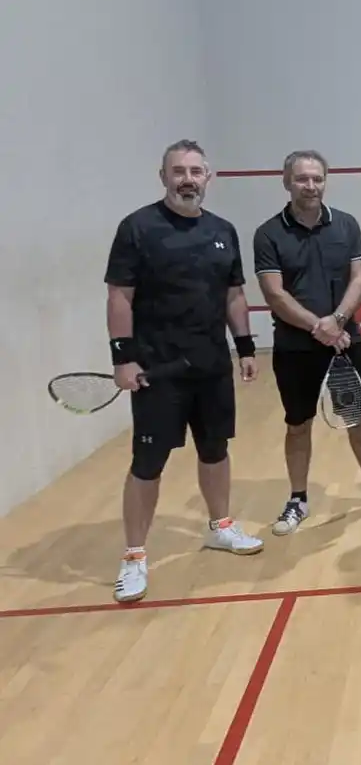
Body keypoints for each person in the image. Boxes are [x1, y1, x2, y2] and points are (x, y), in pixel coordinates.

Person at [104, 139, 263, 604]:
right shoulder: (138, 227)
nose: (187, 179)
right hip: (158, 369)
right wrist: (123, 357)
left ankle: (221, 526)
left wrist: (246, 347)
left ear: (208, 177)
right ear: (163, 176)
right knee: (148, 464)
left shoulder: (223, 231)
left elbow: (234, 293)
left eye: (196, 171)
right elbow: (120, 295)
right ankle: (134, 556)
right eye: (179, 171)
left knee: (215, 450)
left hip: (211, 366)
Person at [253, 150, 361, 534]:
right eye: (302, 178)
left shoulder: (347, 225)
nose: (311, 185)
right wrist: (317, 327)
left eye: (317, 178)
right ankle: (298, 499)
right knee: (298, 424)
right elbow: (275, 294)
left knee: (358, 419)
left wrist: (336, 322)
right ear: (287, 182)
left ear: (325, 181)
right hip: (295, 349)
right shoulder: (269, 233)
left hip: (345, 344)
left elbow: (358, 279)